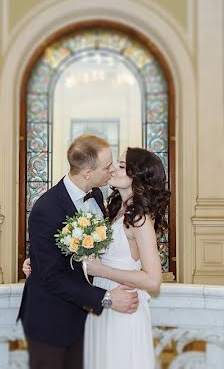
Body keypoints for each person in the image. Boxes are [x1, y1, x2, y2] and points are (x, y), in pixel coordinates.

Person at [23, 146, 170, 369]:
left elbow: (153, 280)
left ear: (137, 177)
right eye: (113, 164)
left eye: (121, 166)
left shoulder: (139, 219)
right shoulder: (112, 209)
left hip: (122, 305)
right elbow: (82, 251)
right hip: (100, 306)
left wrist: (100, 271)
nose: (112, 169)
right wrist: (40, 261)